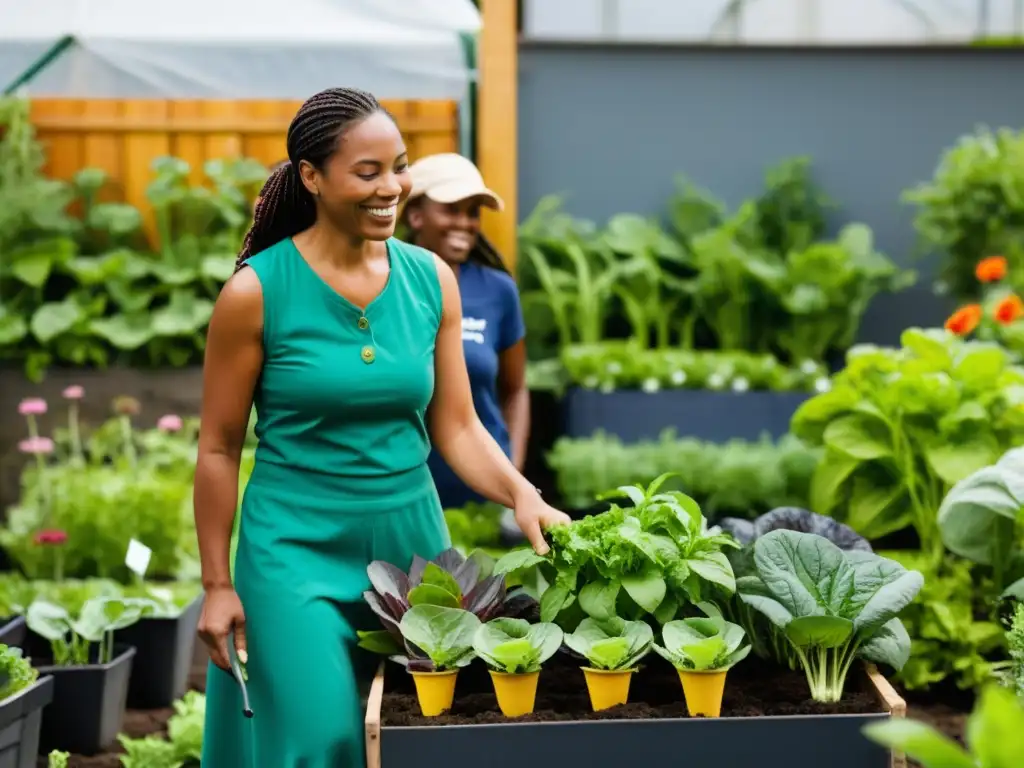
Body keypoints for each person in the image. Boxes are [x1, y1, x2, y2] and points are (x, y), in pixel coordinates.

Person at [195, 87, 570, 767]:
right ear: (311, 177)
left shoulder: (432, 279)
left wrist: (521, 492)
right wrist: (218, 584)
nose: (391, 187)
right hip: (293, 552)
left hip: (411, 549)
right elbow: (219, 448)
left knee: (412, 740)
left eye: (398, 166)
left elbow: (457, 428)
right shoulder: (255, 293)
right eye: (367, 172)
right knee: (319, 739)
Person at [402, 153, 530, 514]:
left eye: (473, 212)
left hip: (486, 502)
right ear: (415, 215)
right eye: (451, 209)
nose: (465, 223)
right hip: (409, 501)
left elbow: (516, 388)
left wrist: (513, 475)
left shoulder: (498, 291)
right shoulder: (382, 288)